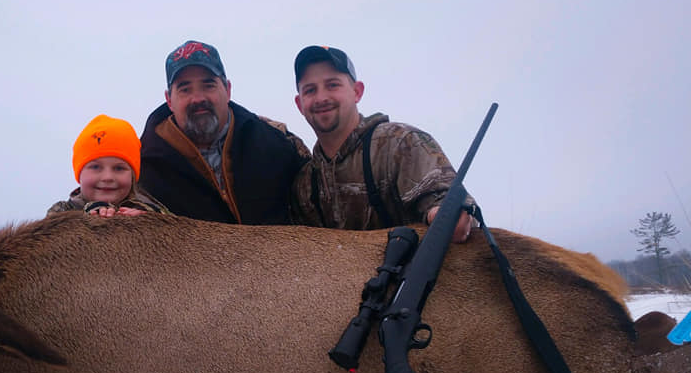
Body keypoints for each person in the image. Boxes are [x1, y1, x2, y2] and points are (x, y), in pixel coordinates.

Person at [291, 46, 474, 242]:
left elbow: (457, 223)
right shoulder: (304, 184)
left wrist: (444, 215)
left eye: (332, 85)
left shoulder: (401, 144)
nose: (322, 98)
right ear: (300, 104)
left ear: (357, 92)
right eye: (310, 90)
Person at [139, 40, 310, 225]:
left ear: (228, 90)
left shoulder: (279, 144)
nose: (198, 98)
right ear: (169, 100)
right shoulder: (142, 166)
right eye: (185, 89)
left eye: (208, 85)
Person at [48, 114, 167, 218]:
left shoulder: (149, 207)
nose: (107, 177)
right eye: (95, 167)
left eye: (119, 168)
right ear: (79, 174)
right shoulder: (62, 212)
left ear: (132, 176)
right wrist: (86, 216)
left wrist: (152, 220)